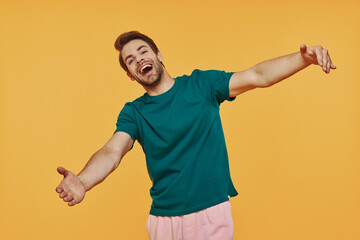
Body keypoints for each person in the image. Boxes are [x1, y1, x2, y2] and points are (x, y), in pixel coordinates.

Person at [55, 31, 336, 240]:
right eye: (130, 60)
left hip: (210, 212)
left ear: (158, 55)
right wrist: (83, 180)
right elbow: (112, 151)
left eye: (143, 52)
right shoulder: (134, 112)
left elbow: (257, 76)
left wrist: (303, 59)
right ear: (131, 75)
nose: (139, 59)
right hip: (163, 221)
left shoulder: (202, 84)